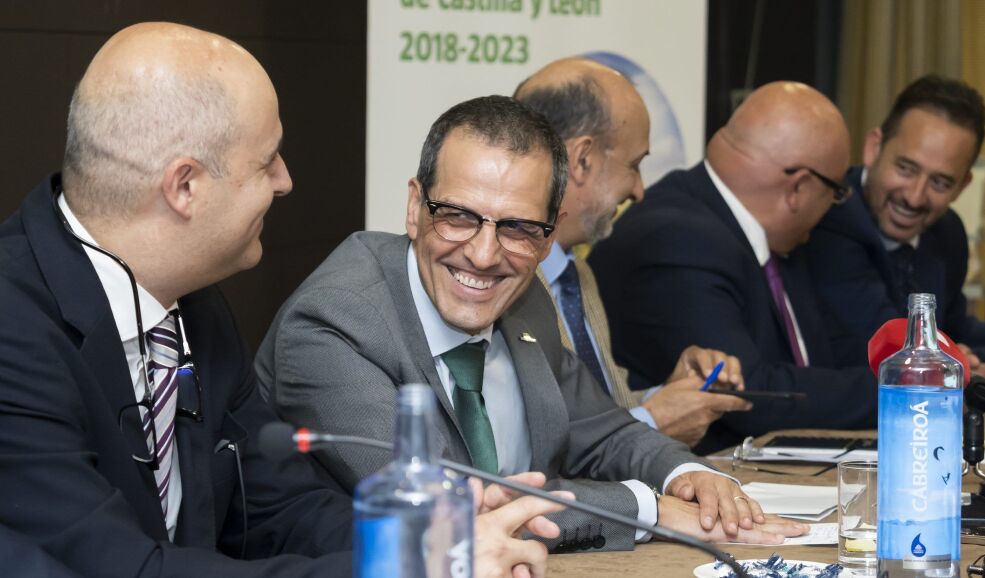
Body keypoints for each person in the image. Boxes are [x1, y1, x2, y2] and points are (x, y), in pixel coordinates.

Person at [0, 22, 566, 578]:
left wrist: (434, 538)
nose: (285, 181)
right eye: (267, 160)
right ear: (185, 186)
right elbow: (119, 567)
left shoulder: (196, 308)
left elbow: (280, 508)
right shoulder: (12, 327)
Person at [257, 94, 808, 554]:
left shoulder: (524, 298)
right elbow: (452, 511)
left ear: (549, 236)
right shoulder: (335, 322)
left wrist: (690, 478)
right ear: (414, 207)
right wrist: (649, 508)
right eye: (458, 216)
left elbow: (603, 431)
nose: (484, 255)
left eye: (518, 228)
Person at [589, 81, 877, 453]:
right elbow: (748, 396)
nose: (833, 207)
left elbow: (823, 356)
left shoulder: (771, 236)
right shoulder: (677, 237)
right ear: (798, 189)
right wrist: (903, 392)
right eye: (836, 192)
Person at [513, 58, 751, 447]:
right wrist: (654, 422)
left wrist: (671, 395)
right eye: (634, 165)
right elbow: (531, 443)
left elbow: (600, 412)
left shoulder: (578, 275)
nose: (639, 191)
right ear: (582, 160)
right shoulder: (504, 280)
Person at [805, 75, 985, 386]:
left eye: (940, 182)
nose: (915, 197)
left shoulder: (947, 232)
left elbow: (956, 329)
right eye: (906, 169)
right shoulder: (830, 216)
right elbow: (900, 351)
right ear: (873, 148)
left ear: (962, 186)